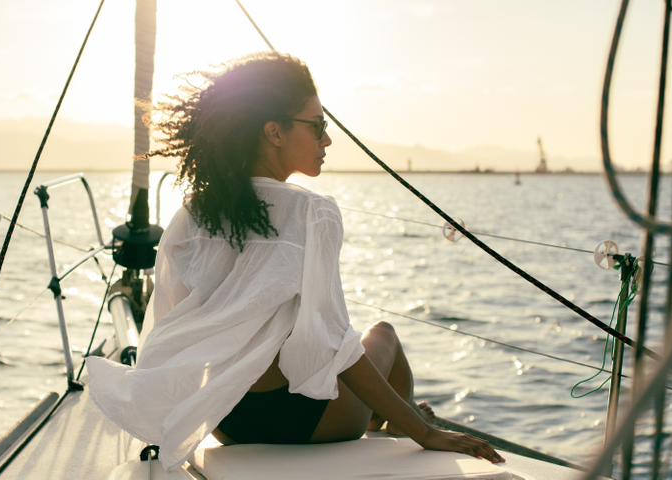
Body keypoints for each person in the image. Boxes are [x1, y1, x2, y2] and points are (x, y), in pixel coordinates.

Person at [86, 51, 504, 470]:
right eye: (318, 126)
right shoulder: (311, 212)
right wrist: (426, 434)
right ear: (274, 132)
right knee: (385, 335)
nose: (327, 140)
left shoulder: (191, 213)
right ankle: (399, 425)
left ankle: (392, 418)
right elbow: (336, 345)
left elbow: (170, 319)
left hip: (226, 418)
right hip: (309, 423)